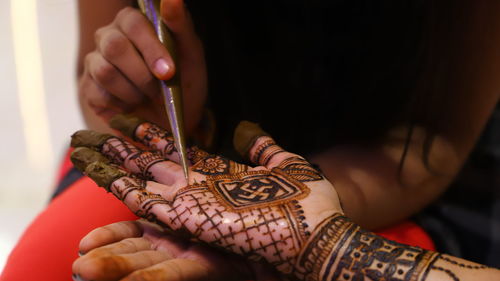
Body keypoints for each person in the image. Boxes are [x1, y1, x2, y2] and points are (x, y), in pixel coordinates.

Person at [1, 0, 499, 280]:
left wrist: (307, 231)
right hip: (180, 159)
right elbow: (96, 90)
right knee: (52, 258)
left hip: (399, 172)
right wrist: (143, 108)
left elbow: (432, 139)